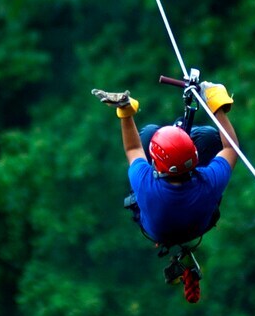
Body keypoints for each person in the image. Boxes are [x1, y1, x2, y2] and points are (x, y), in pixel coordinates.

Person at [91, 82, 238, 247]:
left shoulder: (145, 183)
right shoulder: (209, 182)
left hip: (159, 231)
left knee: (149, 133)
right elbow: (231, 147)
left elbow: (133, 148)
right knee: (209, 137)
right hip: (199, 224)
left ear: (155, 163)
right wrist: (216, 105)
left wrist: (125, 111)